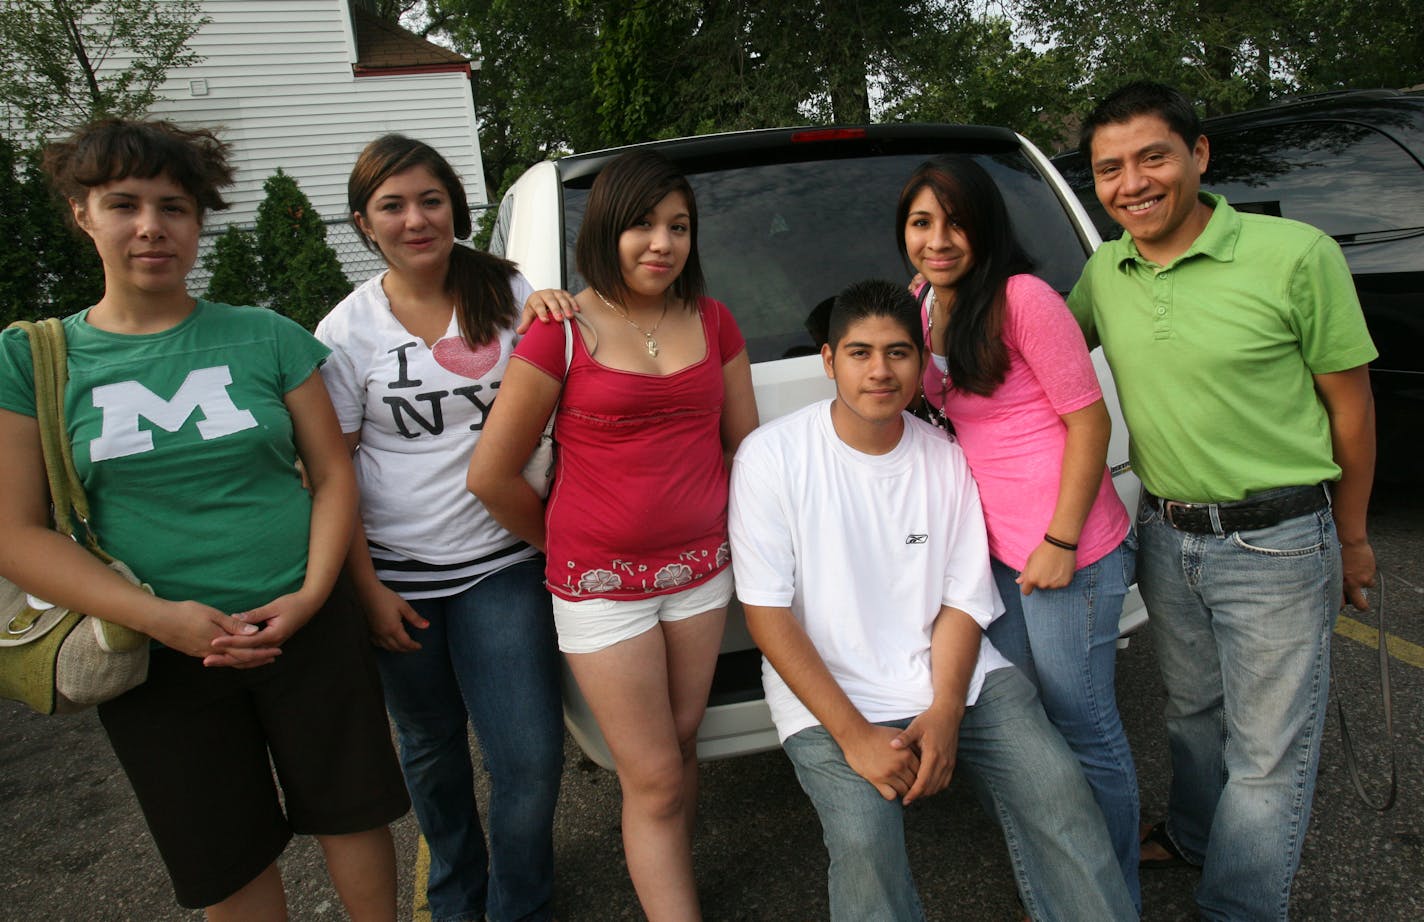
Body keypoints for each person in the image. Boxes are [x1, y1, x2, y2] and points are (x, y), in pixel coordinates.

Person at [0, 118, 408, 920]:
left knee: (353, 811)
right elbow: (17, 531)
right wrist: (162, 619)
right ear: (83, 213)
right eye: (124, 204)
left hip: (307, 625)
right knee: (224, 851)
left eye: (175, 207)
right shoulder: (32, 358)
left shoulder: (267, 336)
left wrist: (314, 595)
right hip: (157, 655)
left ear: (198, 222)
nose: (152, 226)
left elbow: (331, 477)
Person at [727, 279, 1136, 922]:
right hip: (833, 698)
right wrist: (855, 735)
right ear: (829, 361)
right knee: (865, 840)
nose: (879, 371)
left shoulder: (946, 460)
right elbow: (767, 615)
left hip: (953, 679)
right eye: (859, 353)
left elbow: (963, 602)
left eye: (898, 352)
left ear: (922, 363)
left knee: (1060, 791)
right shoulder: (771, 458)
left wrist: (946, 711)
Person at [1068, 81, 1377, 921]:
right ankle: (1197, 838)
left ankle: (1237, 906)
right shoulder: (1107, 268)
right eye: (1108, 168)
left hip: (1278, 540)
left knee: (1269, 754)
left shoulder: (1295, 254)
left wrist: (1351, 538)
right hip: (1167, 535)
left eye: (1152, 157)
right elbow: (1038, 357)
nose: (1131, 182)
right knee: (1195, 715)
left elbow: (1350, 407)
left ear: (1199, 156)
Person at [468, 149, 759, 921]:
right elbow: (491, 475)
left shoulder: (715, 320)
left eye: (678, 226)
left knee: (683, 742)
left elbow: (744, 446)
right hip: (601, 591)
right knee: (656, 773)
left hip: (701, 572)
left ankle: (674, 881)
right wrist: (566, 546)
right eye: (641, 224)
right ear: (605, 230)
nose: (660, 243)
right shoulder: (559, 333)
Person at [315, 134, 563, 922]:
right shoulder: (345, 334)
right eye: (393, 205)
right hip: (400, 577)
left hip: (503, 561)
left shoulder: (510, 290)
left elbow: (567, 390)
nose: (416, 219)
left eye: (431, 200)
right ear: (364, 222)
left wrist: (563, 305)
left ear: (455, 204)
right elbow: (335, 475)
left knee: (528, 758)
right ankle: (457, 893)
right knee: (432, 754)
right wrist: (366, 590)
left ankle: (519, 903)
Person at [896, 155, 1140, 907]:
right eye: (921, 222)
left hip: (1071, 549)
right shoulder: (924, 301)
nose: (939, 240)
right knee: (1019, 737)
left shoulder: (1024, 298)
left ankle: (1114, 897)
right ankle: (1054, 901)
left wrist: (1062, 542)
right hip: (997, 554)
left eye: (956, 222)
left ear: (986, 227)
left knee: (1083, 727)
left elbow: (1088, 418)